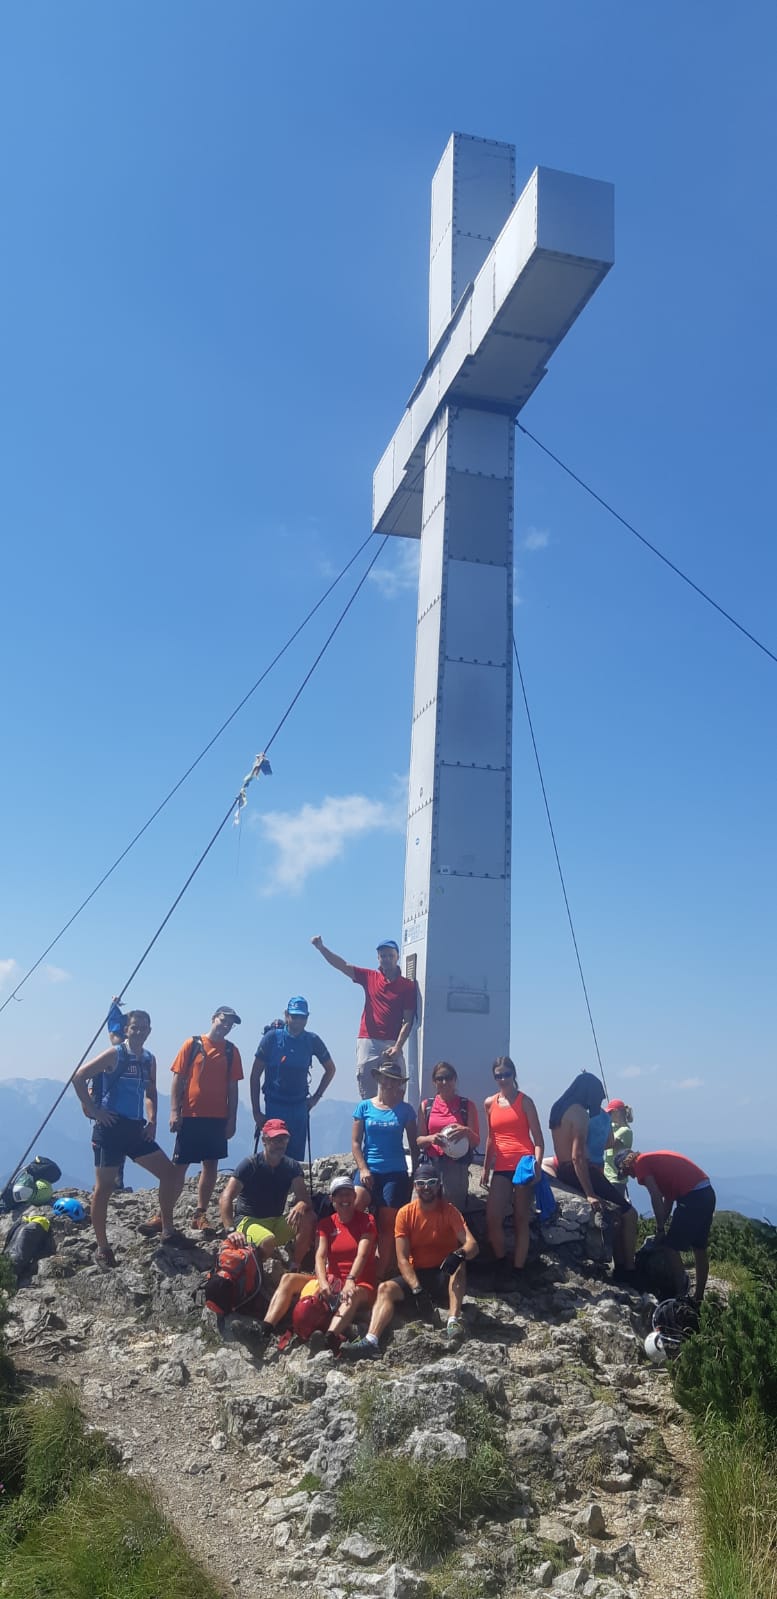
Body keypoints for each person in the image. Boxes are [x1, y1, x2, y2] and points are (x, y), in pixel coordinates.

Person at [73, 1009, 182, 1267]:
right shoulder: (115, 1054)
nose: (139, 1031)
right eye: (135, 1027)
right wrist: (95, 1111)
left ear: (149, 1031)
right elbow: (78, 1077)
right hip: (110, 1129)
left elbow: (150, 1092)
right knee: (104, 1188)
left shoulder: (148, 1059)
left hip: (135, 1129)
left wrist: (152, 1121)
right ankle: (103, 1248)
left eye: (144, 1027)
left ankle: (168, 1230)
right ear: (126, 1029)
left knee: (170, 1174)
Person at [343, 1162, 478, 1358]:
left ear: (439, 1185)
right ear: (415, 1186)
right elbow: (402, 1259)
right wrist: (416, 1288)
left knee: (459, 1265)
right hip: (418, 1276)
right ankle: (371, 1341)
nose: (426, 1187)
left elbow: (472, 1245)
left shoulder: (449, 1211)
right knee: (385, 1288)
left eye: (431, 1182)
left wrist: (459, 1254)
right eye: (421, 1183)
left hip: (444, 1274)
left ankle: (453, 1322)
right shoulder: (405, 1214)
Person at [260, 1174, 378, 1353]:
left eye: (348, 1194)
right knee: (288, 1279)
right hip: (332, 1281)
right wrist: (322, 1282)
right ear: (332, 1199)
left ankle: (329, 1338)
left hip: (360, 1283)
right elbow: (320, 1256)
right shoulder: (326, 1224)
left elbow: (362, 1254)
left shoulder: (367, 1220)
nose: (344, 1199)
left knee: (351, 1294)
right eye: (339, 1195)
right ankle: (264, 1332)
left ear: (354, 1196)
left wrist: (351, 1279)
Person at [545, 1071, 637, 1272]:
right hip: (579, 1170)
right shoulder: (580, 1114)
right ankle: (629, 1269)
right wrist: (590, 1193)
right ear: (589, 1094)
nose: (599, 1102)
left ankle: (621, 1265)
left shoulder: (558, 1110)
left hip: (562, 1169)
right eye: (599, 1097)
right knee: (630, 1214)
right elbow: (578, 1156)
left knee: (616, 1215)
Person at [163, 1007, 243, 1233]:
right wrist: (173, 1111)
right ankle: (164, 1213)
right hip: (190, 1115)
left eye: (230, 1024)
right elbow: (177, 1078)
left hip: (217, 1117)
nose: (226, 1026)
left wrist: (232, 1119)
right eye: (223, 1020)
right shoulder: (192, 1044)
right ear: (213, 1018)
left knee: (210, 1166)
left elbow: (233, 1087)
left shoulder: (231, 1051)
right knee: (179, 1166)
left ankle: (200, 1213)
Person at [311, 935, 417, 1097]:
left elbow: (408, 1020)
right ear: (378, 958)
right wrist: (322, 948)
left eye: (390, 955)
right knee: (368, 1091)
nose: (387, 959)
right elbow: (342, 966)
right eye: (383, 956)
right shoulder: (370, 977)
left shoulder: (406, 986)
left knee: (398, 1089)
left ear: (397, 957)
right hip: (368, 1041)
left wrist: (398, 1046)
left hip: (392, 1042)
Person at [618, 1149, 716, 1301]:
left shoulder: (640, 1163)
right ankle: (698, 1297)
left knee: (670, 1247)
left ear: (627, 1163)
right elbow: (668, 1200)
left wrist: (660, 1229)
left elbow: (655, 1196)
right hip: (706, 1193)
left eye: (626, 1172)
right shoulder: (654, 1163)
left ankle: (681, 1292)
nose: (631, 1176)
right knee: (699, 1248)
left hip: (692, 1197)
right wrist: (660, 1227)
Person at [352, 1058, 419, 1278]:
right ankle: (350, 1260)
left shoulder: (406, 1110)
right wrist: (363, 1169)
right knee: (355, 1205)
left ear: (399, 1083)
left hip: (395, 1171)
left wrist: (414, 1174)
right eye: (385, 1079)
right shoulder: (364, 1107)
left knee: (388, 1221)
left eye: (394, 1080)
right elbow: (355, 1143)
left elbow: (414, 1144)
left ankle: (379, 1276)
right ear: (378, 1079)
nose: (389, 1083)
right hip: (369, 1168)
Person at [219, 1119, 315, 1266]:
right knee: (267, 1241)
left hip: (276, 1221)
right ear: (264, 1140)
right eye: (275, 1140)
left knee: (309, 1218)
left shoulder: (292, 1166)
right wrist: (231, 1230)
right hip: (249, 1221)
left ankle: (294, 1266)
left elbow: (305, 1200)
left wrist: (302, 1204)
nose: (280, 1144)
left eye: (283, 1139)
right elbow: (226, 1197)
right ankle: (255, 1268)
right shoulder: (250, 1164)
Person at [250, 997, 335, 1163]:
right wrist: (256, 1112)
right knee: (273, 1153)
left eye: (302, 1017)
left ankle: (293, 1181)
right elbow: (254, 1076)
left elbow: (330, 1069)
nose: (298, 1021)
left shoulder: (312, 1040)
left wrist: (316, 1098)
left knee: (295, 1159)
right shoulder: (271, 1038)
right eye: (294, 1016)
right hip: (275, 1105)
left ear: (307, 1017)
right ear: (286, 1015)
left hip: (299, 1106)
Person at [483, 1057, 544, 1280]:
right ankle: (502, 1262)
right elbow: (491, 1138)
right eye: (498, 1075)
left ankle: (518, 1270)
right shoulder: (490, 1103)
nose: (502, 1079)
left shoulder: (525, 1102)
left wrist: (537, 1165)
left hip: (523, 1165)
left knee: (520, 1218)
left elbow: (538, 1139)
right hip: (501, 1165)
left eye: (506, 1074)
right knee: (493, 1217)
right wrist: (486, 1168)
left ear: (513, 1074)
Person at [417, 1061, 480, 1211]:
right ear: (434, 1082)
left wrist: (466, 1131)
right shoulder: (426, 1106)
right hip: (431, 1166)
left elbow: (476, 1141)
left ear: (455, 1079)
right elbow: (419, 1140)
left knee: (453, 1212)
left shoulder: (467, 1105)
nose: (444, 1082)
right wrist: (431, 1139)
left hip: (456, 1168)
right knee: (425, 1212)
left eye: (448, 1077)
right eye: (440, 1078)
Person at [603, 1100, 634, 1190]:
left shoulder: (625, 1131)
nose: (608, 1115)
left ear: (616, 1112)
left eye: (610, 1113)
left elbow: (608, 1144)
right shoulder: (616, 1128)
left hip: (615, 1179)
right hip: (607, 1177)